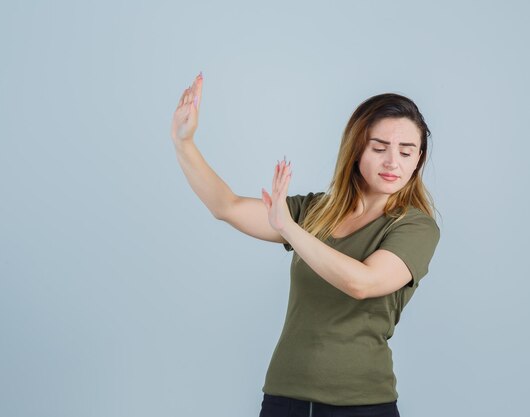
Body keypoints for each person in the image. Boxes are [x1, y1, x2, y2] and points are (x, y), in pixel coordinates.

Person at [170, 71, 440, 417]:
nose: (393, 162)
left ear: (418, 159)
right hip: (284, 398)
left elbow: (361, 282)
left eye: (407, 151)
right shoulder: (316, 210)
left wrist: (289, 228)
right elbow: (226, 206)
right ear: (357, 148)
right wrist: (184, 143)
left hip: (361, 405)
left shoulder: (415, 226)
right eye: (379, 148)